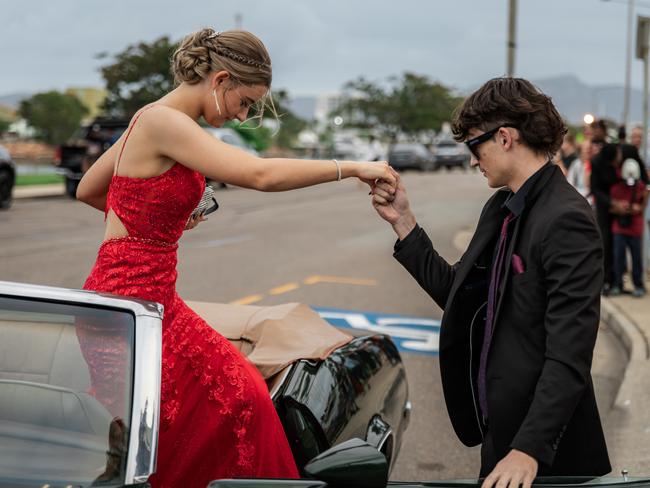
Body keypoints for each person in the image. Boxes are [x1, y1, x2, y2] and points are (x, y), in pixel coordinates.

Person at [75, 27, 396, 488]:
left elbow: (90, 190)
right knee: (227, 406)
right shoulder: (164, 122)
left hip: (143, 299)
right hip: (130, 306)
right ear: (221, 79)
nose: (244, 114)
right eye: (244, 102)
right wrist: (353, 168)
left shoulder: (151, 118)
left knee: (224, 403)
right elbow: (259, 173)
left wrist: (158, 217)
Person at [371, 77, 611, 486]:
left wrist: (528, 450)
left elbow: (569, 354)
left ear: (504, 138)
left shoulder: (567, 219)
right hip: (500, 435)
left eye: (473, 147)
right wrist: (405, 224)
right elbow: (459, 296)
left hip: (547, 454)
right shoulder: (501, 207)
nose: (471, 160)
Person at [610, 158, 648, 297]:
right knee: (618, 257)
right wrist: (620, 207)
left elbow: (642, 206)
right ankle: (617, 284)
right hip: (619, 228)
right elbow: (611, 207)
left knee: (636, 258)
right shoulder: (616, 188)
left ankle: (638, 284)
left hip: (635, 228)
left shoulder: (641, 188)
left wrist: (636, 207)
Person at [590, 144, 622, 292]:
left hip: (621, 205)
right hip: (605, 207)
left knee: (620, 242)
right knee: (605, 241)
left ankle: (618, 280)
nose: (620, 157)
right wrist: (611, 202)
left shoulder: (623, 161)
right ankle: (605, 279)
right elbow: (595, 188)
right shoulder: (596, 162)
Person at [561, 132, 588, 197]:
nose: (560, 145)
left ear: (569, 143)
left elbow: (567, 175)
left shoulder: (575, 160)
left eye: (563, 142)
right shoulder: (564, 157)